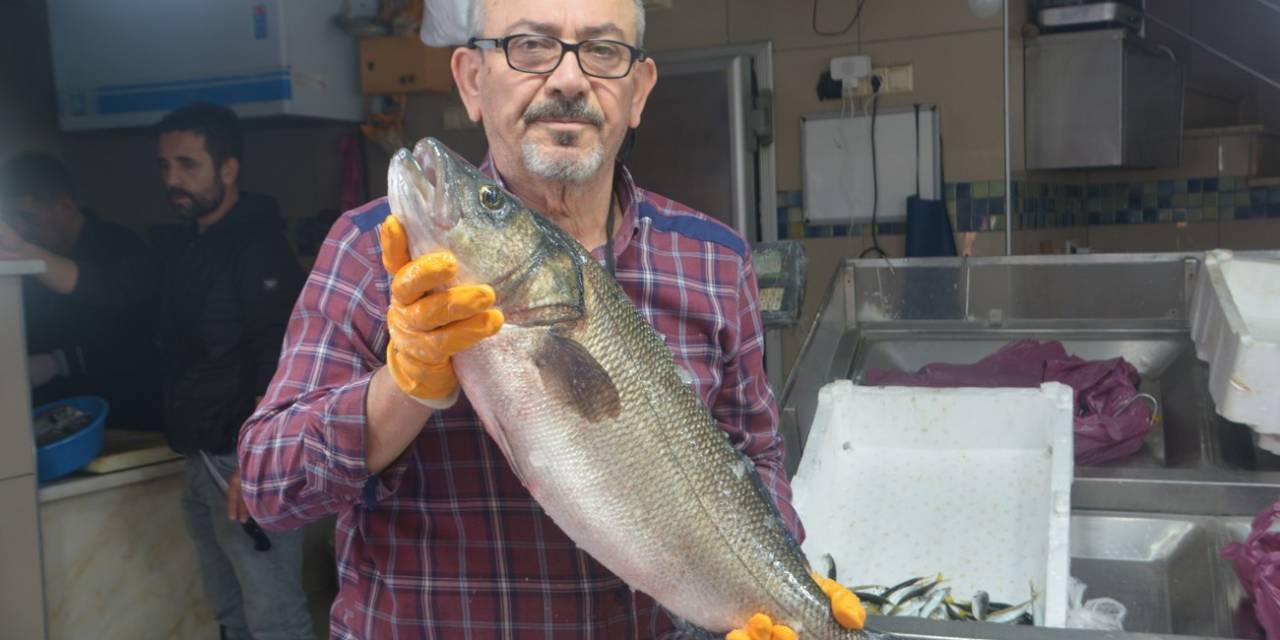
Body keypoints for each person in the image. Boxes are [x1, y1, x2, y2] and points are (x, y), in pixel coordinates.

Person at [239, 1, 842, 637]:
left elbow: (756, 454)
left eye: (604, 51)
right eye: (531, 46)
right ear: (472, 79)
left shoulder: (715, 260)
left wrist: (787, 592)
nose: (568, 80)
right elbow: (268, 487)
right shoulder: (369, 248)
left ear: (638, 93)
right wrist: (402, 388)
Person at [153, 103, 312, 640]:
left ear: (228, 169)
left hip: (243, 463)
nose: (172, 179)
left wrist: (254, 462)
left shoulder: (262, 251)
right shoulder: (188, 246)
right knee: (229, 611)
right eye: (165, 166)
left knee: (274, 615)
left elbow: (282, 362)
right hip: (201, 458)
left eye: (187, 164)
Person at [0, 152, 158, 427]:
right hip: (46, 423)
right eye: (14, 219)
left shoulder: (120, 249)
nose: (22, 228)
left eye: (29, 216)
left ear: (65, 206)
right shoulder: (23, 267)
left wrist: (56, 363)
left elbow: (136, 345)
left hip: (125, 420)